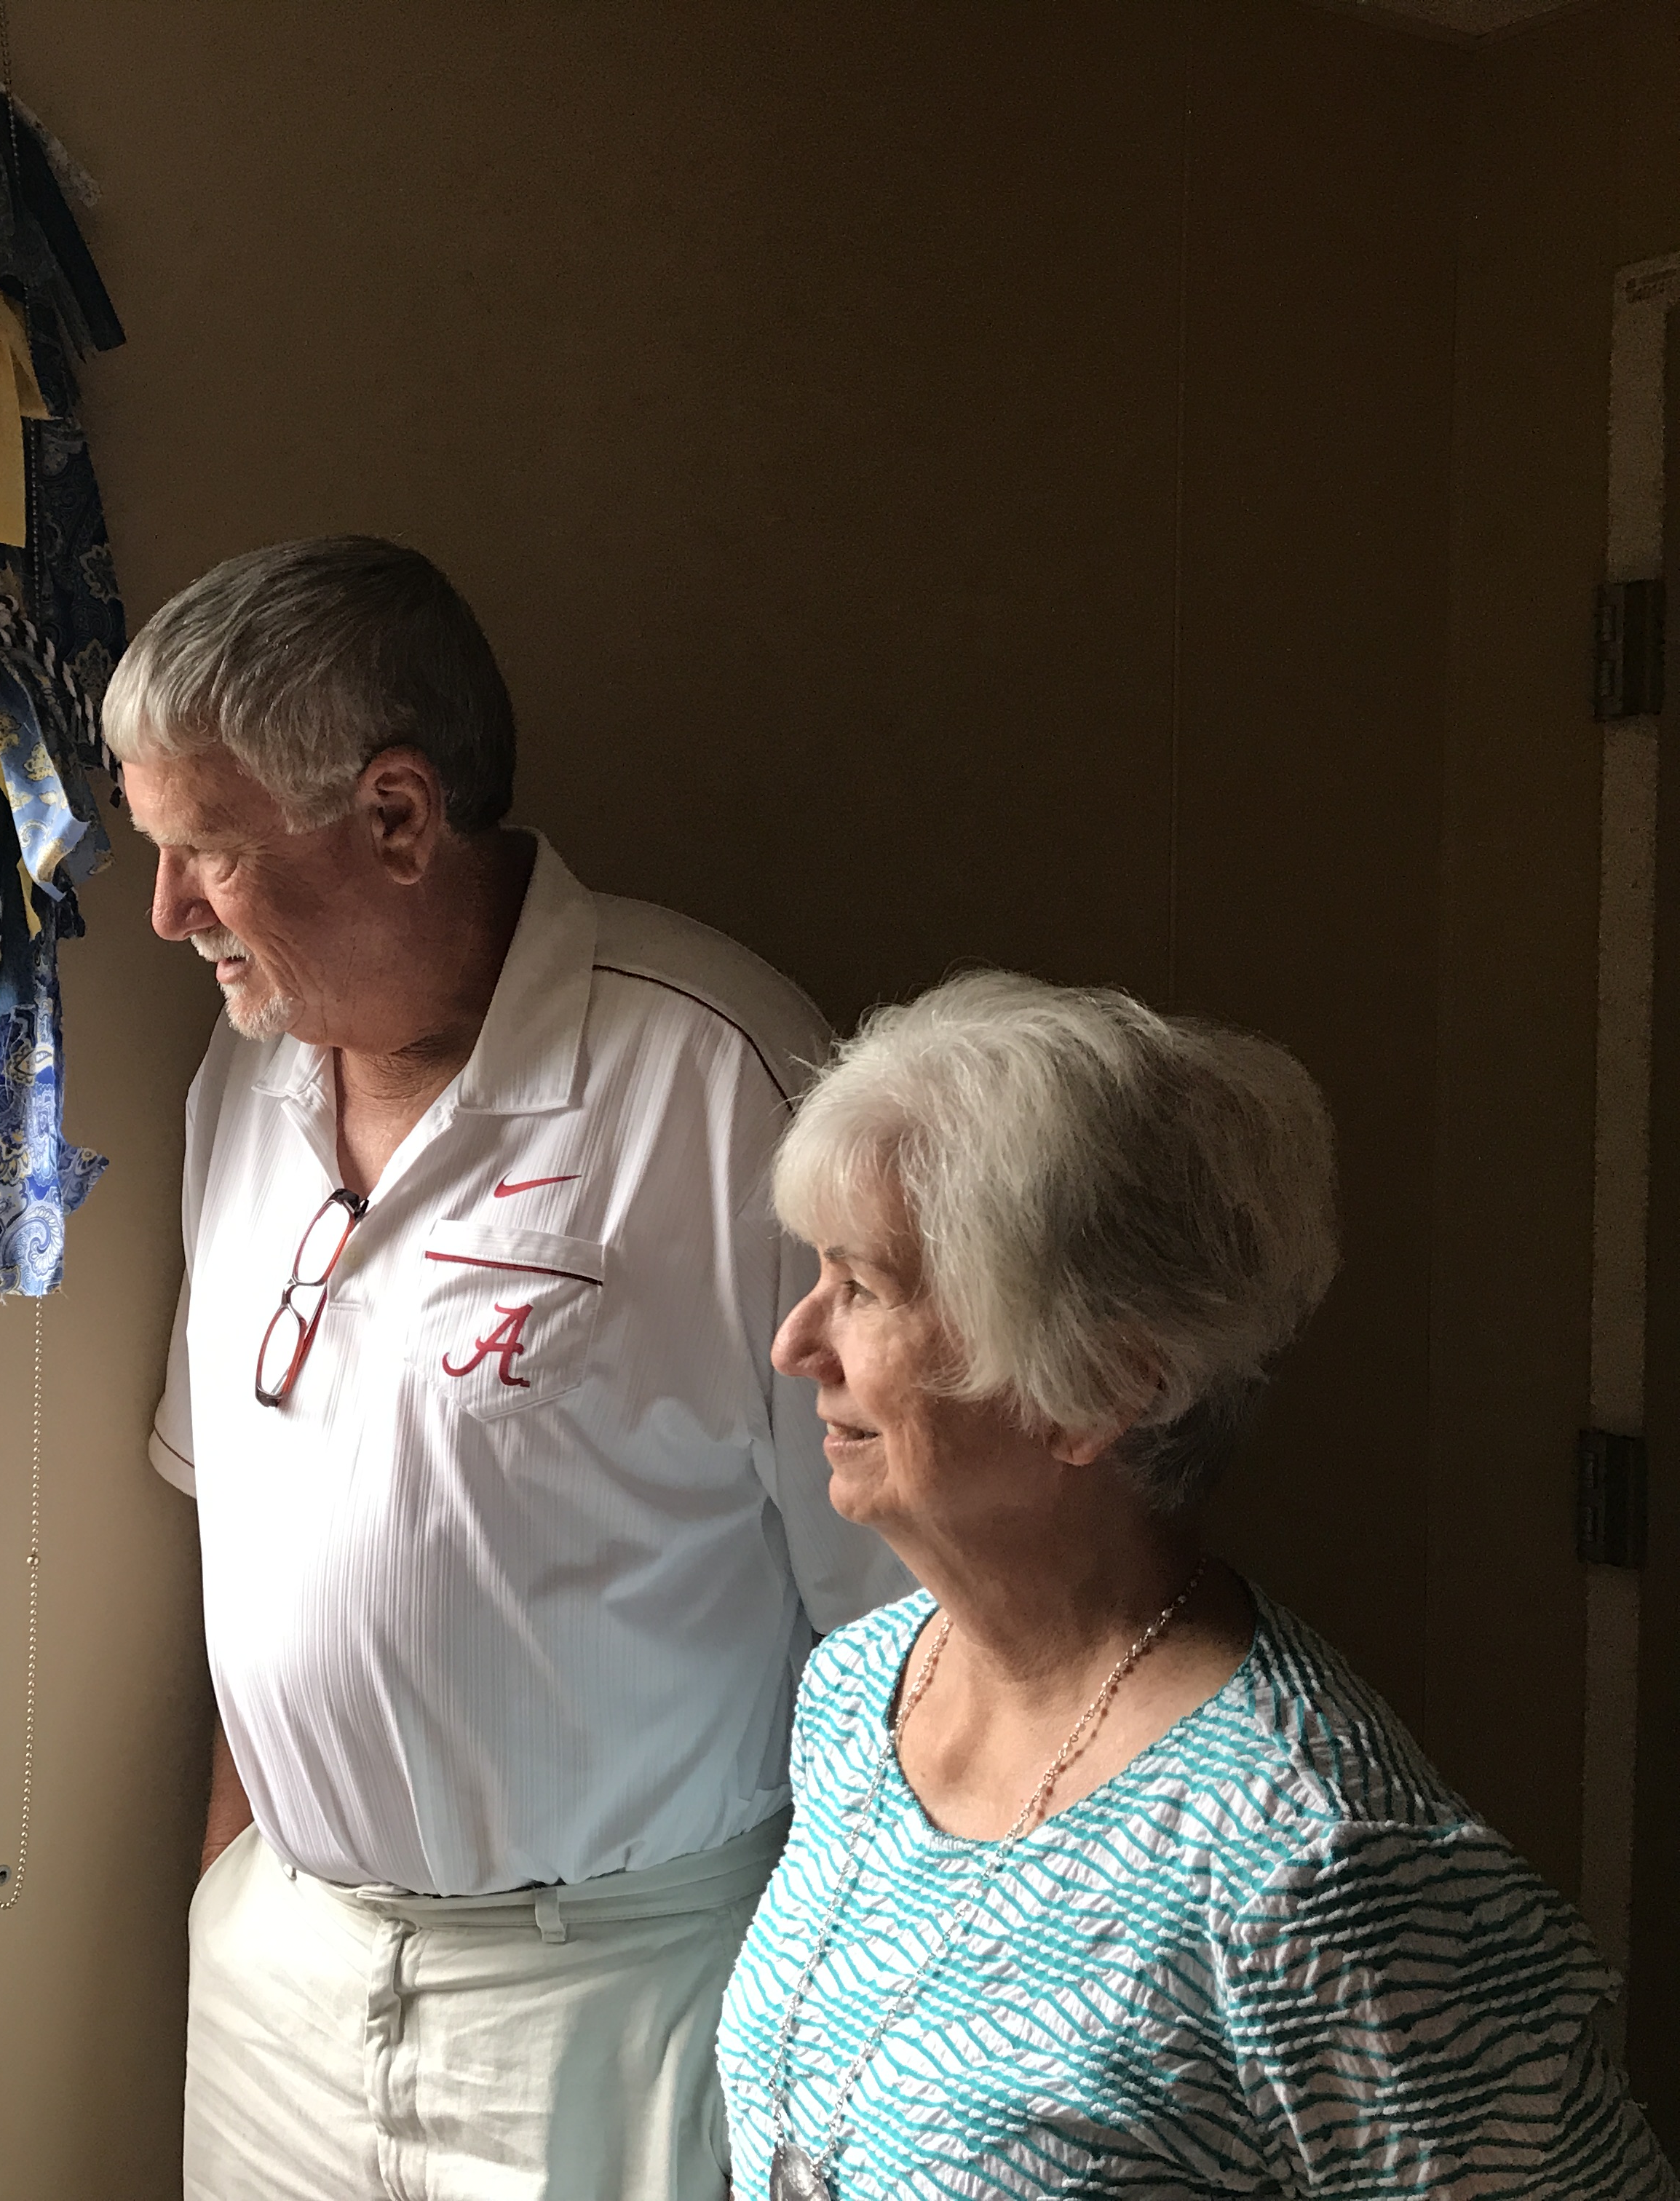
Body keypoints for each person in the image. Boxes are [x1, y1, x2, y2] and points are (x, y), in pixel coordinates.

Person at [110, 534, 910, 2201]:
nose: (168, 912)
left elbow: (906, 1625)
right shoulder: (243, 1082)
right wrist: (231, 1895)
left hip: (615, 1997)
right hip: (284, 1983)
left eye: (210, 853)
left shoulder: (723, 1083)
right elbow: (249, 1544)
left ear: (398, 818)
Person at [718, 971, 1679, 2200]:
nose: (796, 1343)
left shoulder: (1309, 1859)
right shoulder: (859, 1693)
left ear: (1095, 1390)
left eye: (863, 1288)